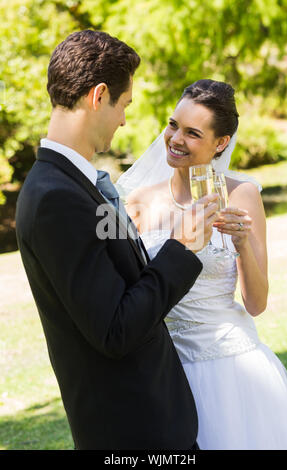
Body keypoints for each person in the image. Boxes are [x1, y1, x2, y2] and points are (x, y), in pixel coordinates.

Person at [15, 31, 219, 450]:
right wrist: (182, 248)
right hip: (133, 433)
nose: (124, 119)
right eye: (124, 105)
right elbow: (115, 329)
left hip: (149, 422)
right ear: (99, 95)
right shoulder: (57, 197)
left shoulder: (70, 183)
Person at [118, 79, 287, 450]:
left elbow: (256, 303)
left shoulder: (242, 194)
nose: (175, 139)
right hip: (167, 371)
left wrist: (241, 243)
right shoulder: (136, 203)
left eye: (192, 133)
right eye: (173, 125)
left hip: (235, 370)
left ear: (221, 143)